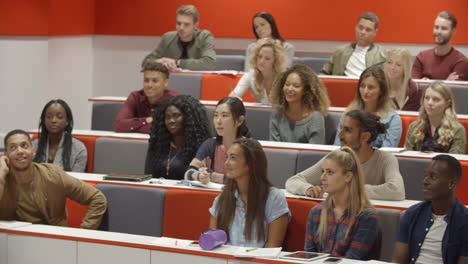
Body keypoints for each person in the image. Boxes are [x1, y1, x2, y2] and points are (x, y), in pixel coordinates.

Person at [286, 110, 405, 201]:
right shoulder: (336, 157)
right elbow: (293, 181)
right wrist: (307, 189)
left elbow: (397, 191)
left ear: (365, 137)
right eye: (341, 129)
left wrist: (349, 190)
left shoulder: (386, 159)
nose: (340, 135)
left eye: (347, 130)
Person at [0, 130, 106, 229]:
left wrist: (83, 233)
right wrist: (1, 173)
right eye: (13, 148)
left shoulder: (53, 175)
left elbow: (97, 198)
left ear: (33, 151)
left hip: (53, 240)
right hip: (12, 241)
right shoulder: (2, 177)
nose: (20, 151)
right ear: (6, 155)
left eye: (24, 146)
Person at [209, 138, 290, 247]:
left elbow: (273, 249)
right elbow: (213, 244)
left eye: (233, 158)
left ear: (251, 163)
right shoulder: (222, 199)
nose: (226, 163)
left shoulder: (274, 198)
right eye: (226, 157)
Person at [305, 147, 378, 260]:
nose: (322, 177)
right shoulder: (316, 212)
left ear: (348, 177)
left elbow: (352, 259)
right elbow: (309, 256)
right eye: (322, 171)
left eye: (330, 172)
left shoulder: (367, 217)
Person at [393, 155, 468, 264]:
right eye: (425, 175)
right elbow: (398, 260)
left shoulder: (464, 222)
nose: (425, 181)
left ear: (451, 183)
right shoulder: (412, 214)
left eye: (433, 177)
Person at [185, 97, 251, 184]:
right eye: (216, 115)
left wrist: (212, 176)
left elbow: (245, 180)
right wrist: (200, 176)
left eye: (224, 115)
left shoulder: (250, 148)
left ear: (239, 120)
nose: (218, 121)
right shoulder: (210, 145)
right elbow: (188, 173)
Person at [333, 65, 402, 148]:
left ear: (381, 91)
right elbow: (337, 147)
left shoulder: (392, 119)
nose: (365, 91)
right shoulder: (348, 114)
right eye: (362, 86)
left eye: (371, 87)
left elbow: (387, 154)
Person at [144, 95, 211, 180]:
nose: (171, 121)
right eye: (167, 117)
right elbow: (147, 175)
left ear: (188, 118)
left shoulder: (202, 146)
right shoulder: (158, 143)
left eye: (176, 116)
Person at [141, 5, 216, 71]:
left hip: (196, 82)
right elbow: (145, 63)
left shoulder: (204, 37)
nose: (181, 28)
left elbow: (209, 64)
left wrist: (177, 62)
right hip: (172, 82)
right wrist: (161, 61)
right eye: (178, 23)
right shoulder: (167, 38)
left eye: (186, 24)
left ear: (195, 25)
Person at [270, 64, 330, 144]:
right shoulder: (277, 114)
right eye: (287, 84)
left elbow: (314, 154)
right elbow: (275, 150)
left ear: (305, 90)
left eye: (296, 86)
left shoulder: (316, 118)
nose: (290, 89)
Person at [114, 62, 179, 134]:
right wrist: (146, 120)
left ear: (166, 82)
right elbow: (119, 125)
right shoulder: (135, 97)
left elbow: (169, 129)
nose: (149, 85)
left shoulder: (174, 99)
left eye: (155, 81)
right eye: (146, 80)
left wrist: (134, 127)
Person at [404, 81, 466, 154]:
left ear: (447, 103)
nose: (430, 103)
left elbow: (454, 161)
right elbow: (408, 156)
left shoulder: (457, 130)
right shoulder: (414, 126)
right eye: (427, 98)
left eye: (436, 99)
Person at [320, 12, 386, 77]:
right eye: (360, 28)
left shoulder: (383, 55)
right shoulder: (340, 52)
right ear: (356, 28)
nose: (362, 32)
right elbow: (324, 73)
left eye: (368, 30)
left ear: (375, 32)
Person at [32, 99, 87, 172]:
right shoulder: (33, 146)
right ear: (44, 121)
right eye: (49, 117)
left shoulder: (79, 149)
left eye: (59, 117)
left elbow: (76, 181)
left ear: (67, 121)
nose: (53, 120)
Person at [412, 11, 467, 81]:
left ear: (453, 31)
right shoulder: (421, 57)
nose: (438, 32)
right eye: (436, 27)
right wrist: (446, 82)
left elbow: (454, 91)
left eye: (444, 28)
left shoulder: (460, 61)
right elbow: (414, 88)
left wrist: (427, 83)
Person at [230, 38, 286, 104]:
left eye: (267, 58)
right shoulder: (249, 76)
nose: (261, 61)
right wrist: (234, 98)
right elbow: (232, 98)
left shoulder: (283, 77)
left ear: (275, 61)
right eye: (259, 57)